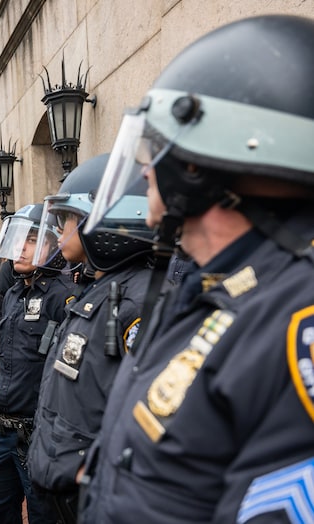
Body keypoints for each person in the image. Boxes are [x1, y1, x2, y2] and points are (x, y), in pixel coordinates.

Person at [77, 15, 314, 523]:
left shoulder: (294, 320)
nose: (144, 171)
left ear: (196, 167)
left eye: (156, 149)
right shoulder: (203, 289)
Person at [25, 154, 155, 523]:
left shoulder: (139, 298)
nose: (61, 229)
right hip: (65, 492)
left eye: (68, 218)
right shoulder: (99, 287)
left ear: (105, 221)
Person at [0, 203, 75, 523]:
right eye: (19, 238)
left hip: (40, 436)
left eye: (32, 240)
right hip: (4, 430)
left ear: (52, 245)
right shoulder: (13, 295)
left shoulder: (64, 299)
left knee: (43, 514)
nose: (21, 248)